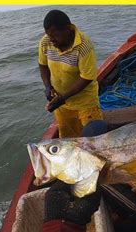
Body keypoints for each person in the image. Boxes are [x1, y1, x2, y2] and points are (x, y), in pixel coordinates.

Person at [38, 10, 103, 138]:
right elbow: (42, 64)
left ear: (67, 30)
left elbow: (87, 77)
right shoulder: (46, 42)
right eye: (48, 35)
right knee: (68, 139)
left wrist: (62, 98)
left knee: (93, 137)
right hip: (63, 105)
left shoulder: (84, 46)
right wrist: (48, 87)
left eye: (55, 35)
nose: (51, 40)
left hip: (85, 102)